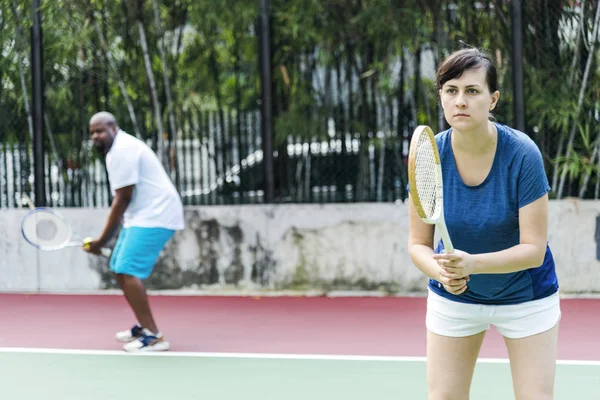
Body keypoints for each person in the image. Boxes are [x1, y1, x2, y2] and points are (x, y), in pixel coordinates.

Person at [408, 48, 560, 400]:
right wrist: (442, 272)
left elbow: (533, 250)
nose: (460, 100)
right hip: (456, 298)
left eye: (472, 91)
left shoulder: (522, 153)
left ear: (492, 100)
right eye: (451, 90)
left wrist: (473, 264)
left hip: (526, 295)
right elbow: (418, 244)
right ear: (442, 98)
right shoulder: (430, 157)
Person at [84, 111, 185, 352]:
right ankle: (142, 326)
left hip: (157, 214)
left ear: (114, 128)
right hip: (142, 215)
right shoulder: (116, 150)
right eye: (92, 133)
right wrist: (103, 243)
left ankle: (154, 336)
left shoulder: (122, 150)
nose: (96, 136)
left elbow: (123, 199)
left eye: (100, 130)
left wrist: (101, 241)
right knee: (118, 266)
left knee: (127, 268)